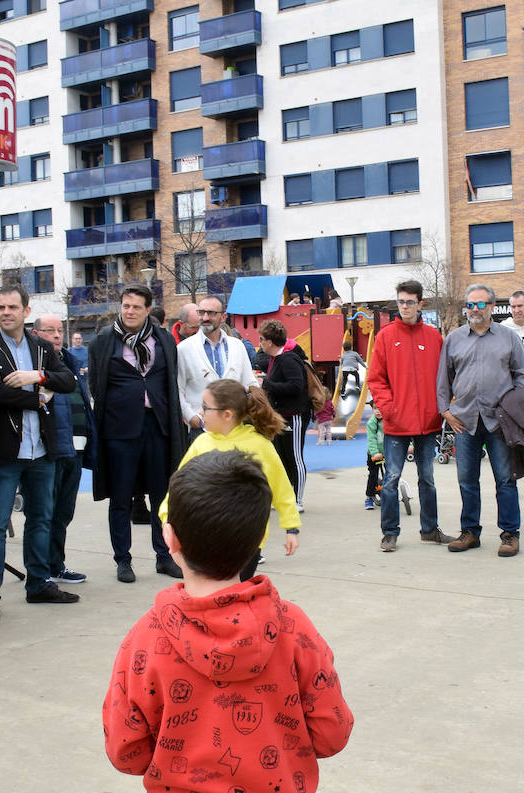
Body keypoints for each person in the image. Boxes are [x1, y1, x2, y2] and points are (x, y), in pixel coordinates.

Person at [103, 451, 353, 790]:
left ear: (170, 538)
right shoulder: (293, 627)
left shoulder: (146, 638)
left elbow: (126, 752)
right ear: (258, 537)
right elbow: (331, 733)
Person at [0, 285, 79, 614]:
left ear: (25, 311)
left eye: (12, 307)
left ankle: (38, 583)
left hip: (41, 450)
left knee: (41, 519)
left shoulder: (41, 347)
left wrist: (38, 376)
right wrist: (38, 398)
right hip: (2, 452)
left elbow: (68, 381)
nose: (5, 312)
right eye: (0, 306)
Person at [90, 284, 187, 583]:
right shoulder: (103, 341)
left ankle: (164, 556)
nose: (129, 311)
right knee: (120, 497)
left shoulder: (163, 340)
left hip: (157, 426)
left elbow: (170, 380)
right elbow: (96, 385)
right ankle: (123, 560)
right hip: (119, 430)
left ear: (148, 310)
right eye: (125, 305)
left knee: (162, 497)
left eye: (135, 307)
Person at [158, 379, 300, 580]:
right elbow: (178, 486)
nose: (201, 412)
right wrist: (167, 517)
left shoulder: (259, 446)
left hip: (247, 541)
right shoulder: (201, 443)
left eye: (206, 408)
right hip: (204, 538)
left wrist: (291, 527)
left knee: (235, 591)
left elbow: (281, 489)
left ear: (227, 414)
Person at [438, 284, 524, 557]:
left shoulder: (507, 338)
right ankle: (470, 532)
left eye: (480, 304)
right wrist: (445, 410)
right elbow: (443, 379)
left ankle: (509, 534)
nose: (474, 310)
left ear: (492, 307)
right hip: (465, 420)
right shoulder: (454, 339)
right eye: (470, 304)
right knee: (467, 480)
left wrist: (516, 404)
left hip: (499, 422)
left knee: (505, 479)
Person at [366, 280, 454, 551]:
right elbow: (376, 378)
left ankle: (429, 530)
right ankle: (390, 532)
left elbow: (445, 377)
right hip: (396, 424)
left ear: (420, 303)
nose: (404, 306)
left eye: (410, 302)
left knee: (427, 479)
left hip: (427, 422)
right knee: (391, 479)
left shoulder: (433, 337)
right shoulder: (385, 336)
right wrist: (389, 408)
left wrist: (443, 408)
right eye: (401, 301)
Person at [33, 314, 97, 587]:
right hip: (50, 450)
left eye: (60, 330)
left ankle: (56, 565)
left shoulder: (70, 362)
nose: (57, 335)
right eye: (50, 330)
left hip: (75, 449)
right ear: (36, 334)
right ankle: (39, 569)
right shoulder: (34, 365)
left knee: (64, 512)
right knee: (43, 513)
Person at [177, 295, 255, 437]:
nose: (205, 317)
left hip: (235, 428)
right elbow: (177, 389)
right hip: (201, 431)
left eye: (211, 313)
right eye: (201, 312)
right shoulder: (184, 349)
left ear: (223, 317)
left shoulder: (237, 346)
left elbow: (250, 383)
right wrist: (191, 417)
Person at [258, 319, 312, 512]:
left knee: (295, 457)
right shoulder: (276, 359)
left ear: (270, 341)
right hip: (281, 415)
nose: (260, 342)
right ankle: (287, 495)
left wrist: (268, 385)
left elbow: (296, 386)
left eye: (262, 339)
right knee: (282, 457)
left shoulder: (288, 359)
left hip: (295, 415)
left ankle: (298, 499)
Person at [364, 408, 384, 510]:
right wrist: (375, 453)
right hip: (374, 453)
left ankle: (391, 494)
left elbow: (400, 434)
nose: (378, 411)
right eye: (375, 408)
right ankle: (369, 497)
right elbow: (371, 439)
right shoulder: (371, 423)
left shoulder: (389, 420)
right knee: (373, 475)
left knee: (393, 473)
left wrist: (409, 445)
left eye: (380, 408)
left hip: (388, 452)